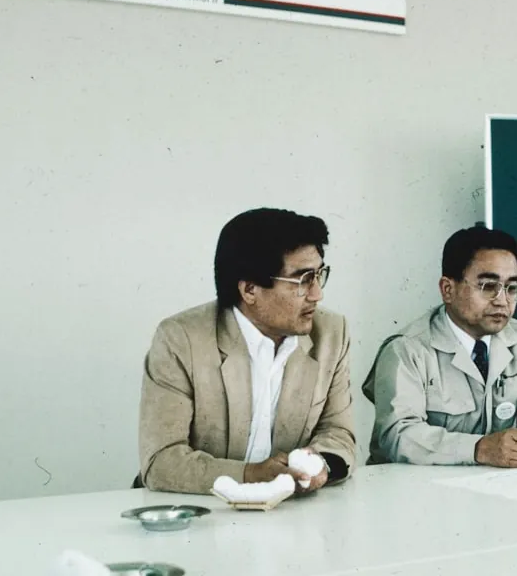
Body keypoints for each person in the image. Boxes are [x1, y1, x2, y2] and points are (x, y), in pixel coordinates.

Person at [138, 208, 355, 495]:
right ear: (250, 290)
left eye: (319, 275)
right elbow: (161, 462)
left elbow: (339, 432)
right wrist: (251, 475)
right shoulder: (181, 339)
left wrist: (321, 466)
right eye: (303, 280)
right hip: (201, 511)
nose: (317, 294)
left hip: (288, 513)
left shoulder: (330, 332)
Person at [363, 226, 517, 467]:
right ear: (448, 289)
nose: (502, 300)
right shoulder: (407, 349)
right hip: (412, 489)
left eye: (511, 288)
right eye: (488, 286)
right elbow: (397, 435)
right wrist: (478, 448)